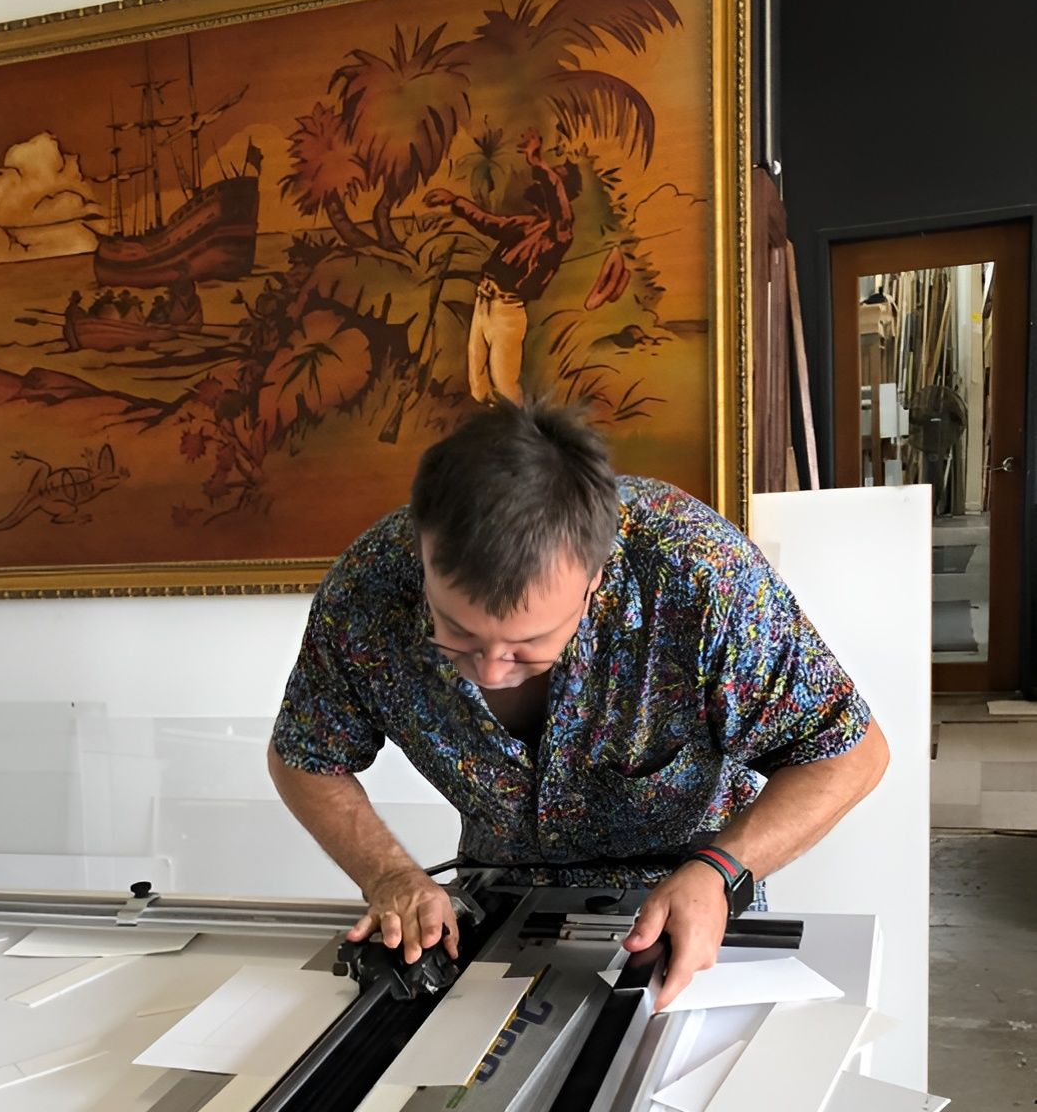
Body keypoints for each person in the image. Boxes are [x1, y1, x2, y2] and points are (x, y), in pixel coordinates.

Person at [268, 400, 888, 1010]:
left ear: (595, 578)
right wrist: (390, 875)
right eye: (457, 632)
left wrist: (722, 870)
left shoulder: (699, 577)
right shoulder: (369, 589)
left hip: (688, 906)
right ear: (423, 553)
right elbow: (304, 756)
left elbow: (849, 753)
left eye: (529, 643)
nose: (490, 670)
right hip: (496, 913)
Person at [424, 128, 577, 404]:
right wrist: (455, 202)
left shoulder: (560, 233)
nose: (543, 191)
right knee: (478, 388)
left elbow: (558, 202)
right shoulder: (527, 224)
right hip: (484, 303)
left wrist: (537, 163)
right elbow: (491, 224)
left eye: (551, 188)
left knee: (506, 389)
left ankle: (518, 439)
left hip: (507, 311)